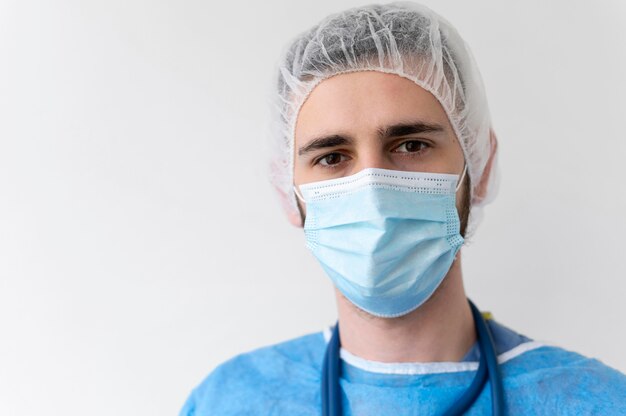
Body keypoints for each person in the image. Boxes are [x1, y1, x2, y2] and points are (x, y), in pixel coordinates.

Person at [179, 2, 626, 415]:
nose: (373, 189)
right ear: (287, 192)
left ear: (480, 165)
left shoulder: (598, 402)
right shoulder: (229, 401)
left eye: (411, 145)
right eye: (332, 157)